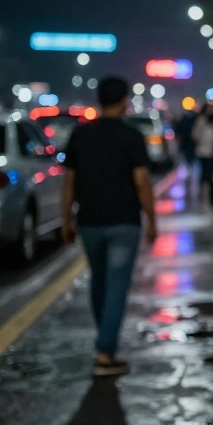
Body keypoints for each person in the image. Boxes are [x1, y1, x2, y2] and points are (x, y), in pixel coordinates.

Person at [61, 76, 158, 377]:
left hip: (90, 221)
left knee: (99, 282)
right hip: (124, 222)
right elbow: (142, 182)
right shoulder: (132, 136)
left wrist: (66, 219)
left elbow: (69, 182)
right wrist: (152, 219)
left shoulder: (80, 135)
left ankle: (104, 340)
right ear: (124, 100)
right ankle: (106, 350)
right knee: (116, 286)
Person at [192, 103, 213, 205]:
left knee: (211, 172)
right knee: (204, 171)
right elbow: (195, 134)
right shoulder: (201, 120)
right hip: (203, 151)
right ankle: (203, 191)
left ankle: (209, 191)